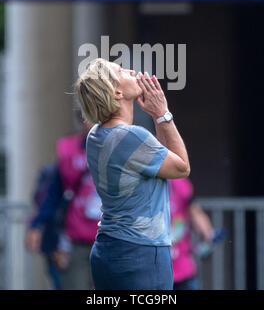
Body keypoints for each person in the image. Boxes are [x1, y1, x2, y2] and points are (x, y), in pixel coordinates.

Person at [75, 57, 190, 290]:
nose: (131, 71)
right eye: (122, 72)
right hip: (141, 252)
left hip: (107, 250)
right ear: (117, 93)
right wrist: (162, 113)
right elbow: (181, 168)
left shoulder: (95, 135)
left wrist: (157, 117)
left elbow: (158, 159)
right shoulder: (132, 137)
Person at [25, 116, 102, 290]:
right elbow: (54, 194)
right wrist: (36, 225)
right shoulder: (69, 151)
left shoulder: (121, 146)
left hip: (112, 237)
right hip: (77, 238)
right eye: (88, 117)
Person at [169, 178, 214, 290]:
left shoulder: (179, 181)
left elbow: (196, 212)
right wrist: (208, 237)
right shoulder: (178, 179)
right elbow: (196, 212)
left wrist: (208, 237)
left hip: (180, 267)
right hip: (164, 267)